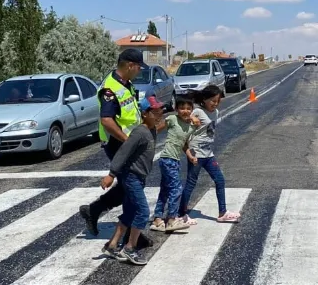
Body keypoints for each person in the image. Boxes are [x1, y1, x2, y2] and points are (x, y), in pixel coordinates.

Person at [79, 49, 144, 238]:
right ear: (130, 65)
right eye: (139, 67)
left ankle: (96, 210)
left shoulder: (125, 83)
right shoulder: (110, 88)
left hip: (128, 141)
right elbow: (107, 120)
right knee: (132, 184)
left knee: (128, 184)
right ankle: (130, 233)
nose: (140, 71)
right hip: (118, 143)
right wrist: (128, 141)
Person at [100, 95, 165, 265]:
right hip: (131, 177)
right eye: (155, 111)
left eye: (160, 110)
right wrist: (111, 174)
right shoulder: (140, 132)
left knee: (129, 212)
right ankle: (130, 248)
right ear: (144, 114)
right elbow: (123, 152)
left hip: (139, 177)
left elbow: (162, 126)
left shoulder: (151, 130)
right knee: (143, 212)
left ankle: (112, 245)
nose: (159, 113)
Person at [180, 84, 240, 224]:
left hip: (208, 153)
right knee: (191, 183)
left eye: (218, 101)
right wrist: (190, 119)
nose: (215, 103)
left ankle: (223, 212)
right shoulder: (197, 112)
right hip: (196, 153)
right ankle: (181, 214)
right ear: (205, 99)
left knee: (219, 180)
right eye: (213, 100)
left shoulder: (216, 112)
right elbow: (182, 122)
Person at [149, 93, 198, 233]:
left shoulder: (190, 126)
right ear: (176, 109)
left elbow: (184, 144)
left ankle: (157, 219)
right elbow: (157, 129)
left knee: (165, 190)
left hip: (175, 160)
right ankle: (171, 219)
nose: (185, 111)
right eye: (182, 108)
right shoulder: (172, 119)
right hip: (167, 159)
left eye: (189, 108)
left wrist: (190, 156)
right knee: (176, 189)